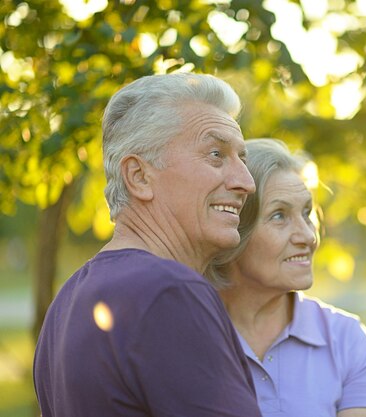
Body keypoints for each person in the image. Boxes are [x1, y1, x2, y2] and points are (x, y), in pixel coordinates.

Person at [33, 73, 264, 417]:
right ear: (139, 176)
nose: (246, 182)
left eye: (242, 159)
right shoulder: (170, 292)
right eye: (216, 154)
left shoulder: (67, 302)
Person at [207, 138, 366, 417]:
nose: (308, 236)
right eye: (279, 215)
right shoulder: (185, 337)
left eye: (307, 213)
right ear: (233, 231)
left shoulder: (346, 340)